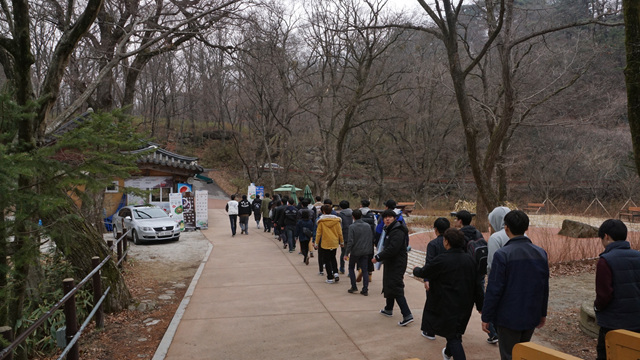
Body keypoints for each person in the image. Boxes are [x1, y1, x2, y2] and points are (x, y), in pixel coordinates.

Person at [481, 210, 549, 360]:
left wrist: (486, 316)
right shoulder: (541, 253)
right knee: (522, 354)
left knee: (508, 355)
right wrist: (542, 313)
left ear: (506, 228)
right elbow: (544, 287)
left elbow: (494, 288)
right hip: (531, 313)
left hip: (508, 316)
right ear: (526, 228)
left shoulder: (503, 254)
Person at [413, 228, 484, 360]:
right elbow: (478, 285)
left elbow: (424, 272)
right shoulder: (470, 260)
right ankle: (447, 353)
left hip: (446, 304)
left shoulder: (442, 260)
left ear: (446, 242)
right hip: (464, 304)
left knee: (453, 336)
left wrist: (415, 269)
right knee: (455, 333)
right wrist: (481, 305)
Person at [594, 219, 640, 360]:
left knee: (607, 354)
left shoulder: (605, 261)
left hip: (613, 323)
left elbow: (604, 295)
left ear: (606, 236)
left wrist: (597, 307)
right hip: (637, 321)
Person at [372, 209, 413, 326]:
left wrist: (378, 257)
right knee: (389, 283)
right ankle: (388, 308)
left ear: (394, 218)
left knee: (396, 286)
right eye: (385, 217)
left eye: (390, 217)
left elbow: (392, 249)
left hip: (397, 263)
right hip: (391, 262)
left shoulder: (397, 231)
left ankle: (407, 314)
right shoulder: (390, 229)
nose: (387, 219)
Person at [420, 217, 450, 340]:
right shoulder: (455, 242)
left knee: (432, 304)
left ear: (435, 229)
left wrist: (426, 279)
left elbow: (429, 263)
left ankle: (430, 331)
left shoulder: (433, 244)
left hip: (435, 279)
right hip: (450, 278)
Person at [484, 206, 511, 344]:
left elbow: (492, 264)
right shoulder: (523, 236)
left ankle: (495, 333)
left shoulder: (496, 238)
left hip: (501, 282)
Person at [344, 209, 374, 296]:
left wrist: (346, 253)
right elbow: (370, 238)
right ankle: (365, 289)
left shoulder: (352, 227)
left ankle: (354, 286)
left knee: (351, 268)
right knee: (365, 270)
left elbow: (350, 241)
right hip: (365, 251)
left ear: (353, 217)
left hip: (355, 251)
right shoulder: (367, 226)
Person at [313, 204, 344, 283]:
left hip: (325, 243)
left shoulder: (321, 221)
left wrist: (316, 243)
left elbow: (318, 233)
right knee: (333, 258)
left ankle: (330, 277)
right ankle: (336, 273)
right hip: (334, 242)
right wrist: (342, 242)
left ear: (323, 211)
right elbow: (340, 233)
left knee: (327, 260)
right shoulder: (337, 221)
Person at [358, 199, 377, 283]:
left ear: (361, 205)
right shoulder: (372, 215)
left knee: (359, 255)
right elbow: (375, 227)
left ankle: (360, 269)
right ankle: (369, 274)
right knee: (369, 255)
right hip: (370, 238)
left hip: (359, 238)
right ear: (369, 206)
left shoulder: (357, 214)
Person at [337, 200, 353, 274]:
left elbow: (340, 227)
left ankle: (342, 267)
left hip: (344, 236)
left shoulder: (340, 215)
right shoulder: (353, 213)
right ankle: (351, 270)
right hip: (353, 236)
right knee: (352, 254)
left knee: (343, 253)